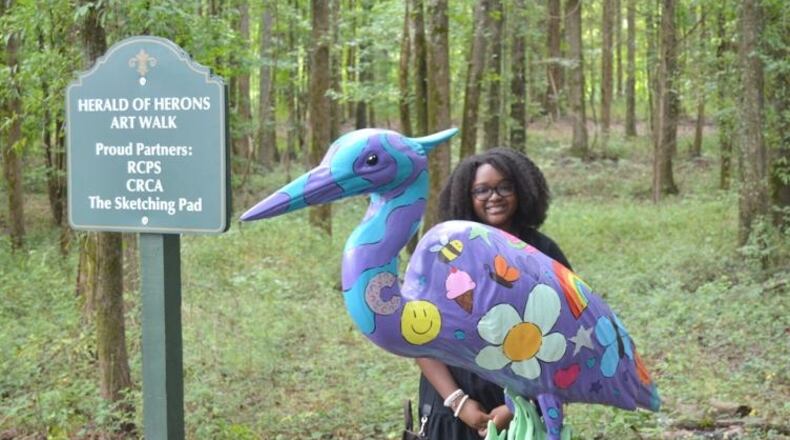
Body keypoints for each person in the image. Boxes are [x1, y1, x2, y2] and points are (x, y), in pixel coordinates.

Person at [416, 147, 572, 438]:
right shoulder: (445, 252)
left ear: (523, 190)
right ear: (466, 196)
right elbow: (418, 335)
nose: (494, 196)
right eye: (482, 190)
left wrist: (518, 404)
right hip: (450, 408)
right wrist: (458, 402)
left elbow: (569, 333)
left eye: (504, 187)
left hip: (526, 413)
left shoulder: (544, 252)